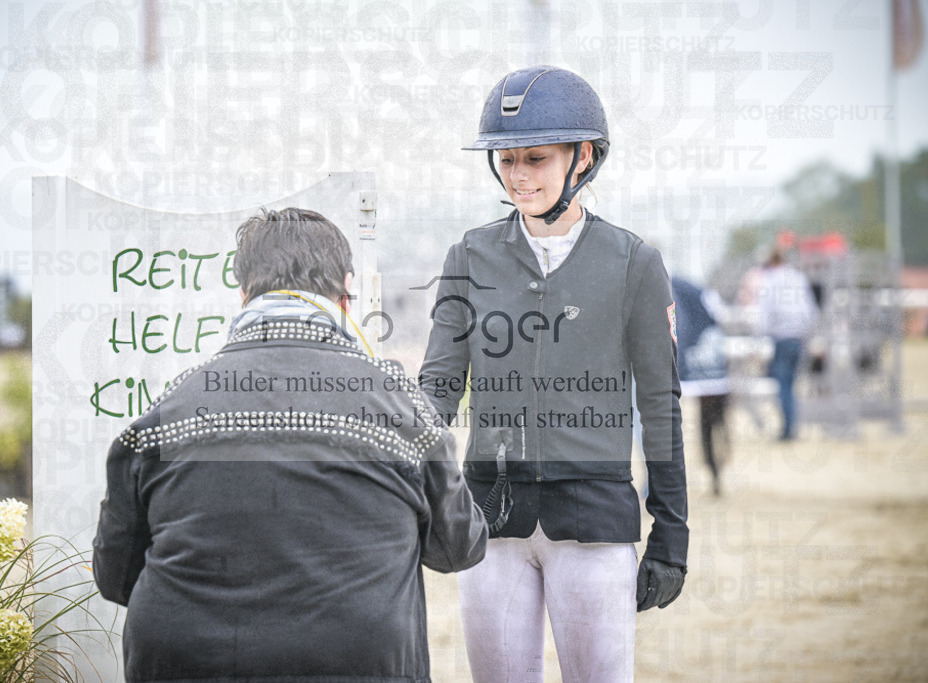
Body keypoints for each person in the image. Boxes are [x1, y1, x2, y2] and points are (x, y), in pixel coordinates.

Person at [93, 207, 488, 682]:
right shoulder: (401, 409)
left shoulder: (166, 413)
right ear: (346, 294)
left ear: (243, 295)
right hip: (360, 665)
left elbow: (115, 577)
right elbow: (457, 548)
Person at [420, 66, 688, 682]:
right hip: (491, 523)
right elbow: (438, 389)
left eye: (535, 158)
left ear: (583, 157)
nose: (517, 175)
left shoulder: (635, 262)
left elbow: (659, 405)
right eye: (506, 159)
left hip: (594, 520)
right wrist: (410, 485)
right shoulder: (467, 257)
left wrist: (671, 531)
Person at [669, 276, 731, 495]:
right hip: (712, 358)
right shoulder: (695, 290)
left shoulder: (674, 286)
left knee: (706, 424)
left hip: (694, 357)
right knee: (713, 422)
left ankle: (711, 470)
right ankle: (714, 471)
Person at [756, 247, 818, 441]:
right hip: (798, 339)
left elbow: (764, 315)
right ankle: (792, 426)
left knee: (783, 386)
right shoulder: (798, 278)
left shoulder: (770, 281)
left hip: (781, 339)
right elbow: (811, 311)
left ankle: (788, 429)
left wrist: (761, 337)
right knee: (791, 385)